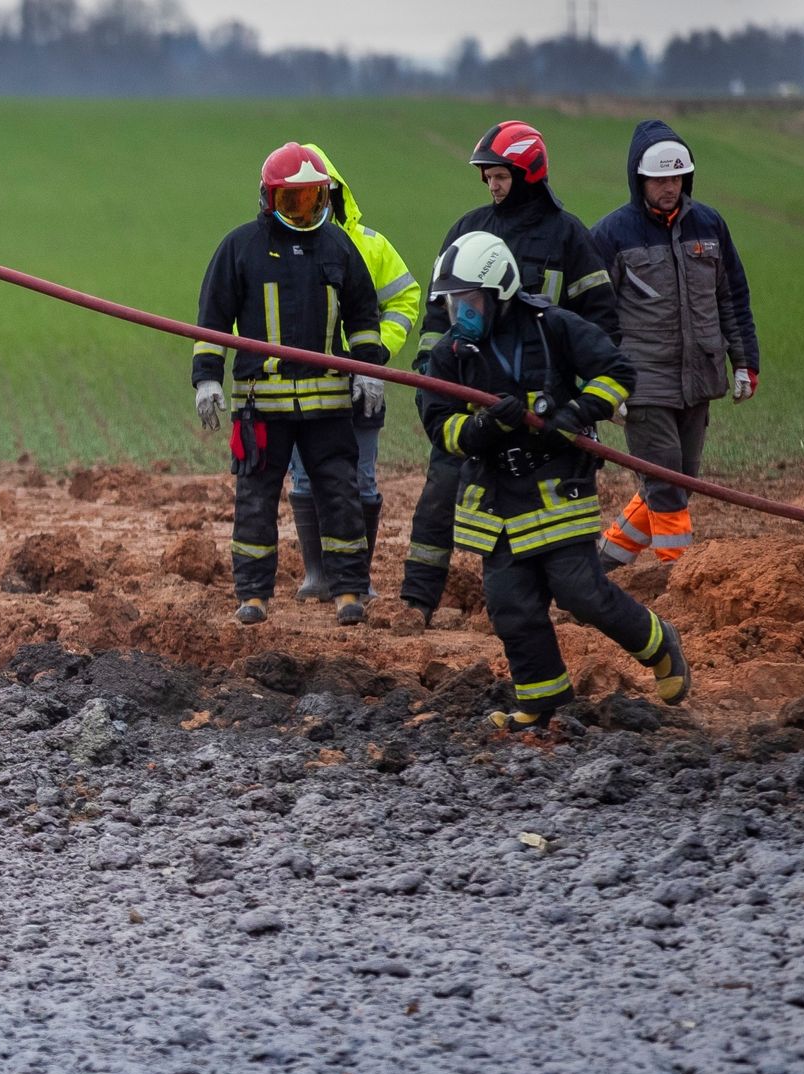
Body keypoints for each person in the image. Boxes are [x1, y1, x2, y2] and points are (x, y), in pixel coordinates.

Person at [417, 231, 689, 730]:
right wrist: (481, 427)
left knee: (580, 592)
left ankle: (657, 643)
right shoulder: (451, 355)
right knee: (510, 608)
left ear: (500, 292)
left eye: (469, 301)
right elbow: (440, 427)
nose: (461, 315)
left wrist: (579, 410)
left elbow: (615, 371)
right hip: (495, 500)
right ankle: (543, 705)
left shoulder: (552, 328)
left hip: (555, 488)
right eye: (454, 303)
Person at [399, 121, 618, 628]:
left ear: (528, 173)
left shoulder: (568, 236)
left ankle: (567, 598)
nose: (493, 185)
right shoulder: (468, 230)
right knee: (441, 491)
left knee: (551, 504)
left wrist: (589, 397)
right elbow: (439, 315)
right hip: (474, 397)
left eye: (501, 175)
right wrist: (431, 376)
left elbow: (600, 318)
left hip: (545, 405)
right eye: (488, 177)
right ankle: (416, 600)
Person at [193, 142, 389, 627]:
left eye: (314, 201)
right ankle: (253, 595)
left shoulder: (339, 247)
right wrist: (206, 380)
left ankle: (347, 590)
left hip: (327, 405)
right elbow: (211, 322)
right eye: (292, 202)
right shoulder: (239, 248)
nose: (304, 214)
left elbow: (364, 318)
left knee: (340, 496)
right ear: (268, 199)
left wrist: (368, 368)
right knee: (255, 500)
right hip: (263, 406)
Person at [591, 119, 761, 568]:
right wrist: (603, 384)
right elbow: (592, 317)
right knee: (665, 483)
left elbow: (732, 297)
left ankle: (602, 562)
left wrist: (745, 362)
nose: (670, 187)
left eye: (676, 178)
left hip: (699, 375)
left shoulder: (710, 225)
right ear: (639, 180)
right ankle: (678, 576)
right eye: (659, 179)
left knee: (678, 481)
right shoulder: (611, 235)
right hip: (642, 382)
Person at [286, 143, 422, 601]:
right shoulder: (278, 249)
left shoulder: (370, 246)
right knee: (305, 477)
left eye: (313, 194)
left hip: (359, 385)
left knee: (360, 477)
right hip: (302, 387)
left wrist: (376, 357)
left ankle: (356, 580)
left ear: (332, 192)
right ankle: (317, 575)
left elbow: (404, 300)